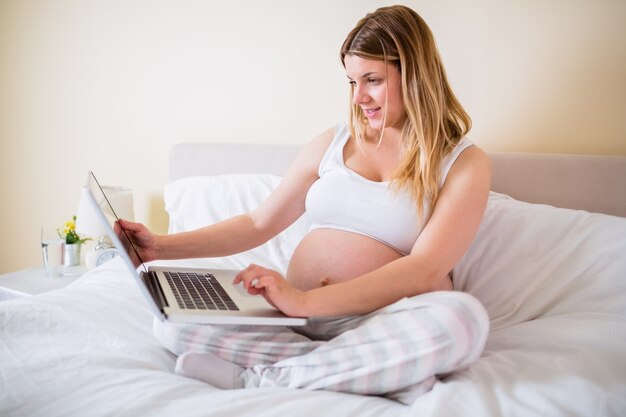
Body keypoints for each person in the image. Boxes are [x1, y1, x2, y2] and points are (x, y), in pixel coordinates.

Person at [116, 5, 491, 404]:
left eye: (373, 80)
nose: (359, 97)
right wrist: (158, 247)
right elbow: (259, 222)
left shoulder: (462, 163)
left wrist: (305, 300)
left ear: (415, 74)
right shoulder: (333, 142)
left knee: (462, 322)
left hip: (380, 322)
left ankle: (264, 379)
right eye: (351, 81)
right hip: (298, 321)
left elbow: (424, 269)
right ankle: (362, 371)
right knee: (172, 325)